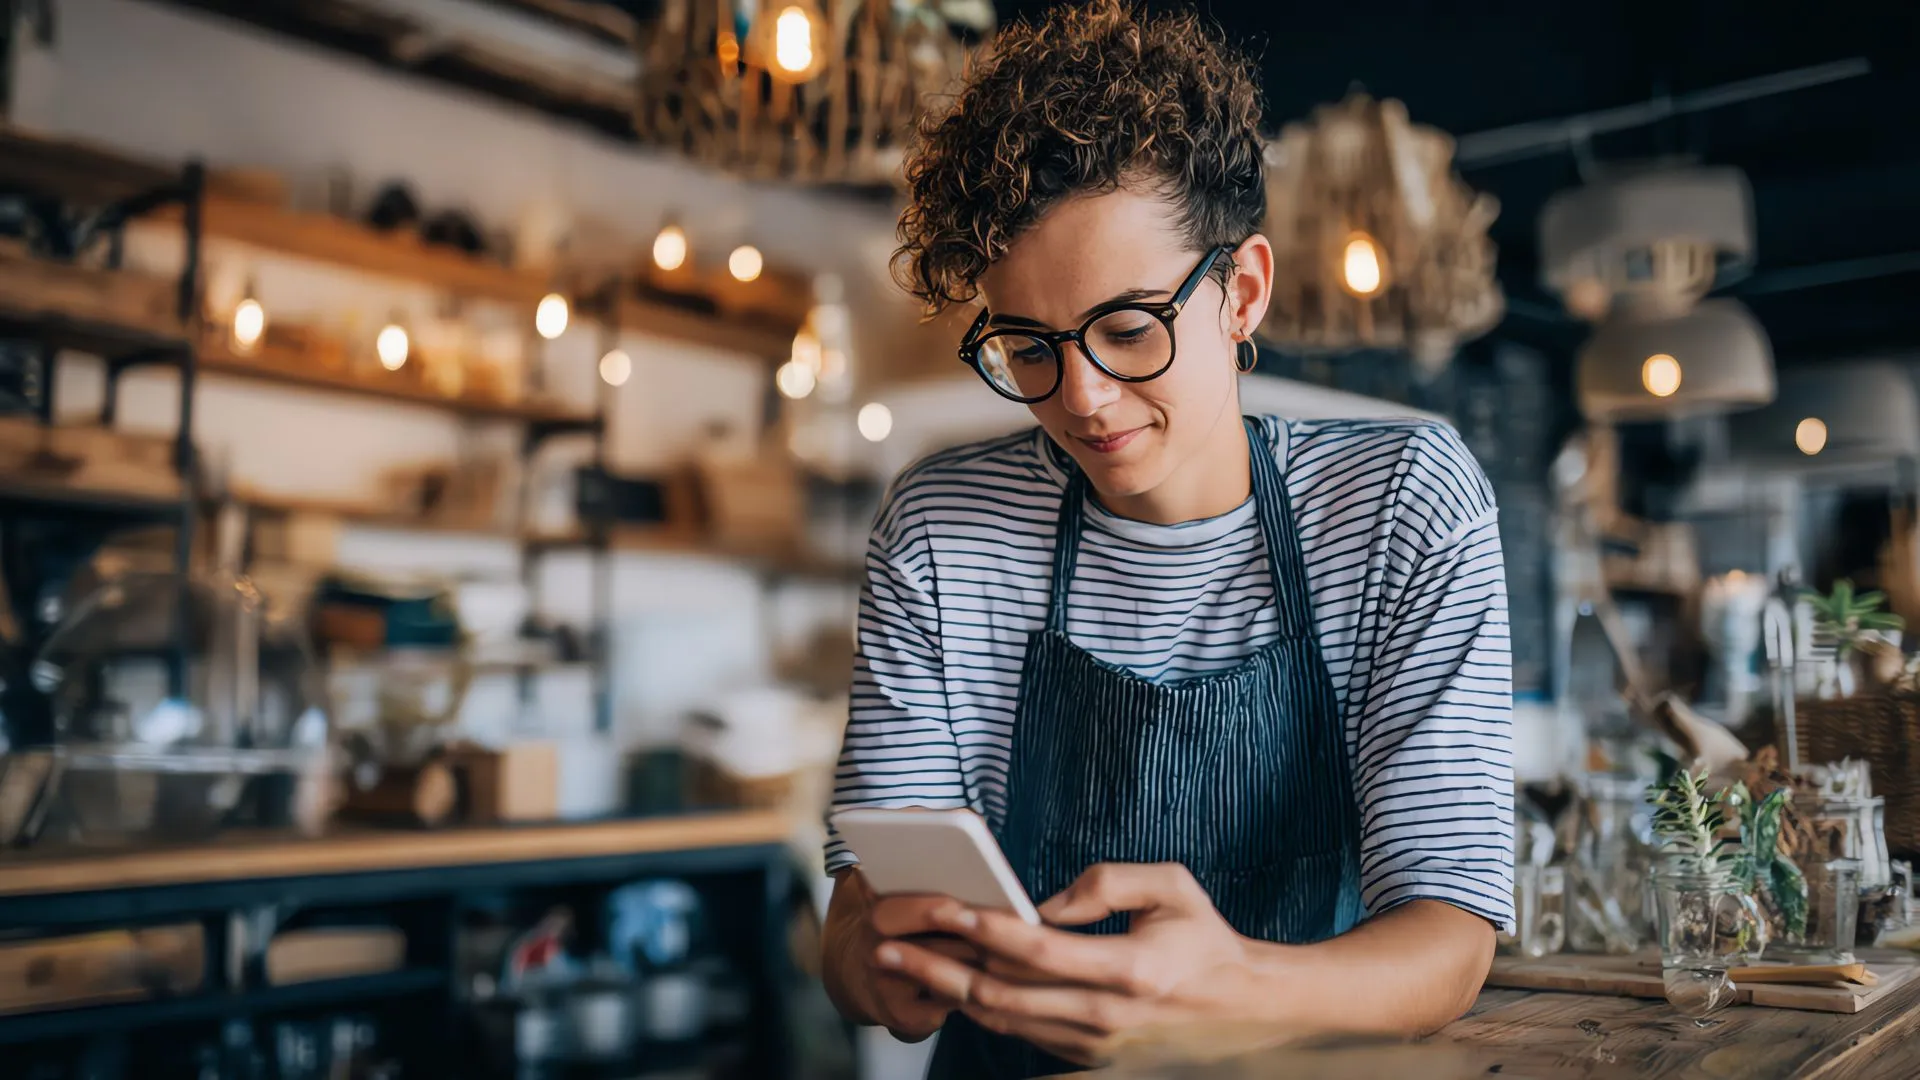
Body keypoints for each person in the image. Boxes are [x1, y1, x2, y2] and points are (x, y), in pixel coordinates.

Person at [820, 4, 1514, 1076]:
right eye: (1028, 349)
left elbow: (1450, 941)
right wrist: (887, 968)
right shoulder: (942, 532)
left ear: (1241, 292)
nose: (1084, 397)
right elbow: (852, 933)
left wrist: (1226, 990)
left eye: (1130, 328)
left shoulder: (1399, 507)